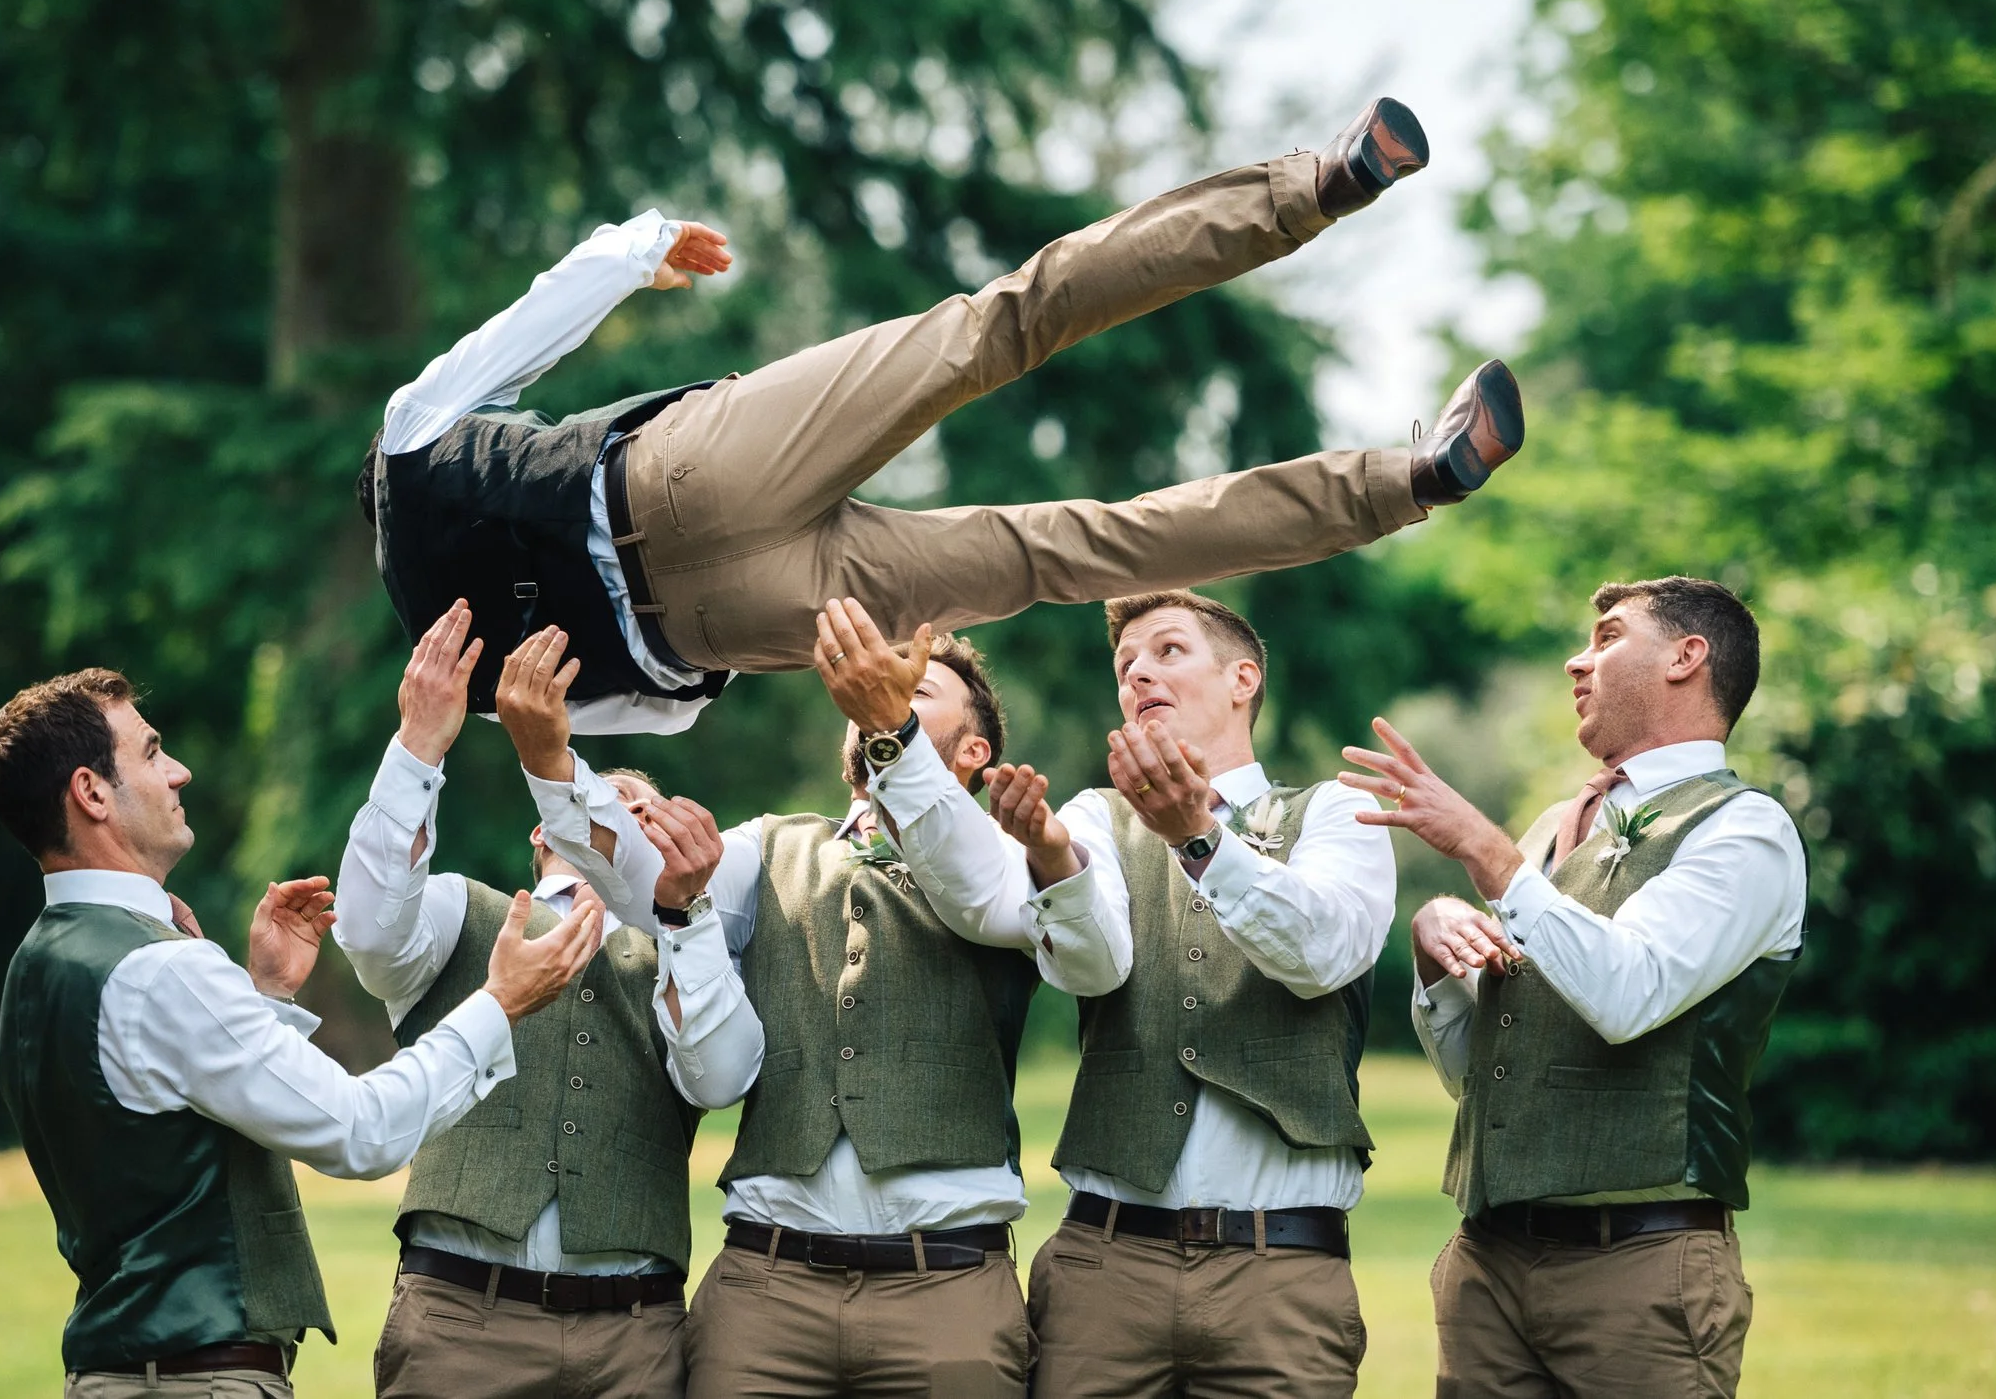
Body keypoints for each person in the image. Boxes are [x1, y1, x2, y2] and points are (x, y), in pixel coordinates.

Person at [362, 98, 1526, 735]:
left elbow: (645, 716)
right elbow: (528, 327)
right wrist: (637, 250)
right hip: (683, 477)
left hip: (731, 619)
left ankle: (1411, 480)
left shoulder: (454, 673)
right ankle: (1318, 185)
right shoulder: (409, 437)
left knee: (1071, 552)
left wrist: (716, 647)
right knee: (1000, 323)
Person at [514, 619, 1127, 1399]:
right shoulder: (770, 846)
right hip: (767, 1288)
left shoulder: (1013, 853)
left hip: (948, 1286)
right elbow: (643, 878)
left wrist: (893, 732)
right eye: (872, 687)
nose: (880, 693)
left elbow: (983, 887)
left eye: (914, 688)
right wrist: (553, 765)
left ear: (974, 750)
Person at [0, 668, 606, 1398]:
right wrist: (499, 1003)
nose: (179, 771)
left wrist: (267, 996)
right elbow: (362, 1130)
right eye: (150, 752)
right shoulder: (161, 970)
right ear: (91, 793)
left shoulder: (37, 963)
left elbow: (159, 1129)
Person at [1338, 576, 1806, 1399]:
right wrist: (1435, 954)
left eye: (1607, 636)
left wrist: (1486, 852)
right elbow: (1491, 1074)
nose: (1575, 661)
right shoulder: (1555, 829)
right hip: (1488, 1268)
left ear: (1687, 656)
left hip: (1641, 1272)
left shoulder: (1746, 831)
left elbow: (1628, 994)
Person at [966, 590, 1393, 1398]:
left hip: (1281, 1276)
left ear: (1242, 678)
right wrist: (1052, 859)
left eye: (1166, 651)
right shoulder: (1093, 816)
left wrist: (1200, 839)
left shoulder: (1339, 810)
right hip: (1104, 1269)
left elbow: (1322, 952)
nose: (1137, 674)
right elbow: (1088, 966)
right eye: (1124, 664)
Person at [333, 601, 764, 1399]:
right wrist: (418, 743)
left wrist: (686, 917)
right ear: (545, 833)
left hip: (633, 1335)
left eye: (640, 813)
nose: (626, 824)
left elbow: (721, 1079)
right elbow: (367, 931)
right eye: (610, 805)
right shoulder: (463, 913)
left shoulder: (694, 954)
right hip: (459, 1319)